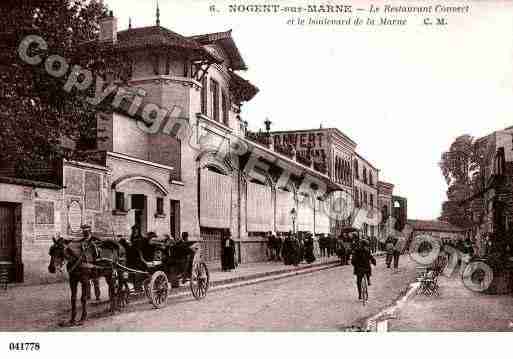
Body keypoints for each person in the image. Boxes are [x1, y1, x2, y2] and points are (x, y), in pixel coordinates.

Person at [79, 224, 101, 301]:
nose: (85, 233)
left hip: (94, 263)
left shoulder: (95, 239)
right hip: (85, 263)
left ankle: (97, 295)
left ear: (89, 231)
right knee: (86, 281)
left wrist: (95, 246)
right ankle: (88, 295)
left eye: (86, 231)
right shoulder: (82, 241)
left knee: (95, 280)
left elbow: (99, 250)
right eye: (84, 232)